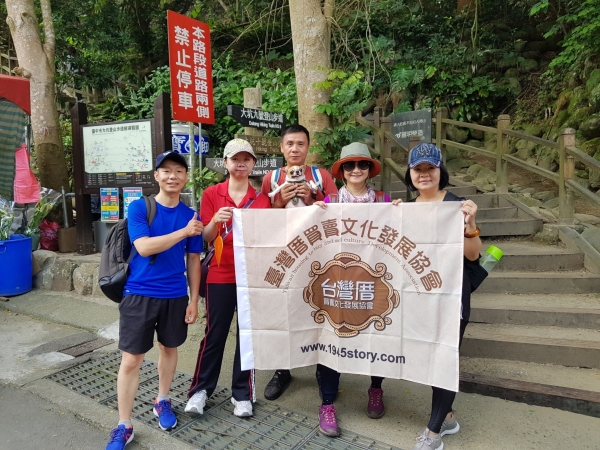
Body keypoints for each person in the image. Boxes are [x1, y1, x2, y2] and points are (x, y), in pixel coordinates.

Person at [105, 151, 204, 450]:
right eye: (166, 170)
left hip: (175, 295)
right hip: (139, 293)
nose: (173, 175)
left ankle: (162, 399)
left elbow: (194, 259)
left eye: (179, 171)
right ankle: (124, 425)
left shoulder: (191, 215)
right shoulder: (139, 207)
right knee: (132, 358)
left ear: (186, 177)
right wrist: (184, 232)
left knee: (169, 347)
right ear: (156, 176)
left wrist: (194, 298)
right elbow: (145, 247)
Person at [313, 142, 402, 437]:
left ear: (369, 170)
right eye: (349, 165)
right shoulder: (328, 201)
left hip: (374, 282)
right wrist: (313, 213)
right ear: (341, 171)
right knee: (333, 335)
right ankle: (327, 404)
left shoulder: (384, 200)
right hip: (339, 284)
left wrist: (402, 214)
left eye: (362, 165)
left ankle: (376, 389)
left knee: (379, 337)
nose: (356, 170)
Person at [185, 139, 271, 418]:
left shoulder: (262, 200)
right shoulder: (212, 194)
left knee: (247, 336)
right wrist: (214, 222)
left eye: (247, 159)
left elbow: (267, 240)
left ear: (253, 164)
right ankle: (200, 390)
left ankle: (242, 394)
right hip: (220, 274)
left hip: (250, 276)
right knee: (215, 333)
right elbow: (205, 238)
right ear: (226, 163)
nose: (241, 163)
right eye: (235, 159)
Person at [404, 143, 481, 450]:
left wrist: (471, 225)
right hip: (420, 298)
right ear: (410, 174)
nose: (424, 175)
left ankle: (434, 432)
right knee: (430, 357)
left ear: (440, 172)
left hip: (451, 297)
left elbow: (473, 257)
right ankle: (447, 415)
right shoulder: (406, 209)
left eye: (430, 169)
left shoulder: (457, 206)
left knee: (444, 360)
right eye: (418, 169)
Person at [260, 124, 338, 401]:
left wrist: (313, 197)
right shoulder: (270, 178)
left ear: (308, 148)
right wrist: (279, 203)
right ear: (281, 148)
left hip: (318, 255)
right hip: (285, 256)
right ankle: (283, 369)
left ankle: (323, 367)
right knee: (285, 309)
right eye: (290, 144)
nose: (295, 149)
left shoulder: (320, 175)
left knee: (320, 307)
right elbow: (262, 217)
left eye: (301, 144)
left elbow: (337, 209)